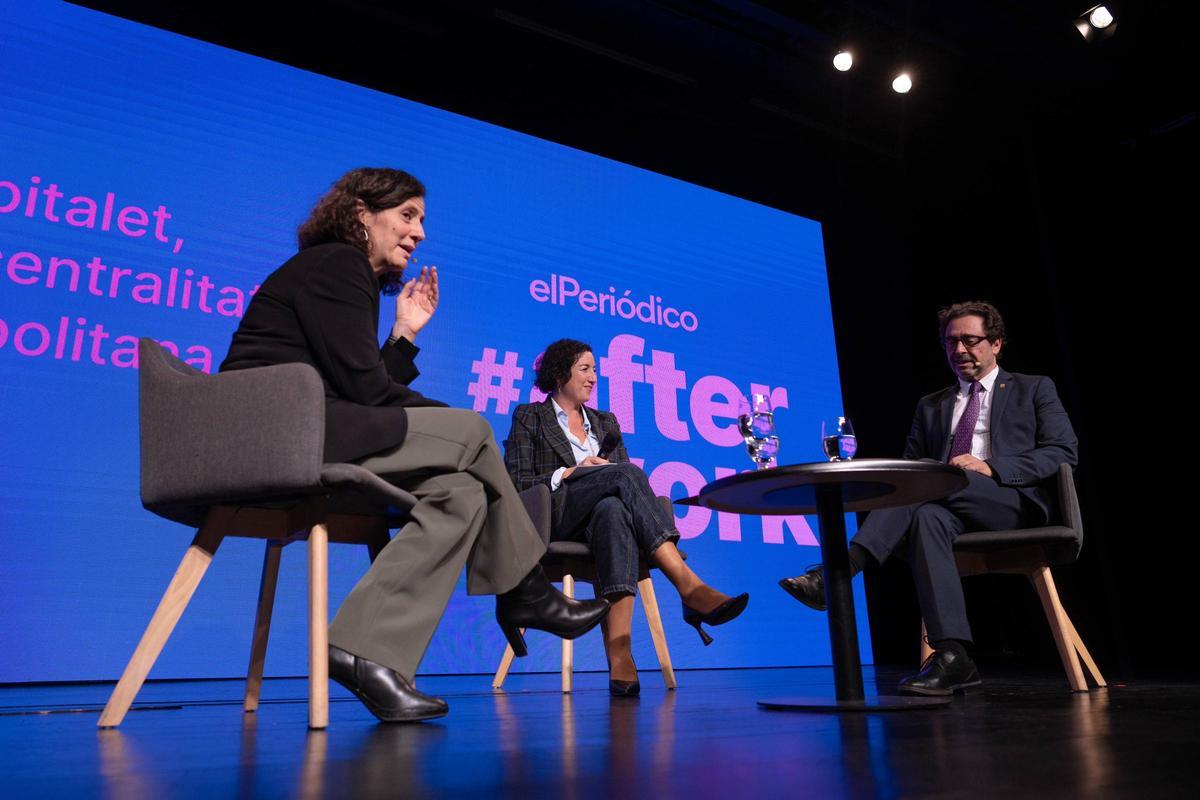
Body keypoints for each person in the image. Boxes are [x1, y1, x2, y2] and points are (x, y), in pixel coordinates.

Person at [220, 168, 609, 722]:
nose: (419, 232)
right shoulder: (339, 262)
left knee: (460, 495)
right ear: (361, 214)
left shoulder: (338, 272)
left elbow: (358, 383)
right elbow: (366, 391)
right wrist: (447, 419)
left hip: (309, 425)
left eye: (421, 219)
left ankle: (364, 652)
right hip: (281, 432)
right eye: (407, 215)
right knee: (471, 429)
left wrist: (403, 333)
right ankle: (524, 588)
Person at [779, 301, 1078, 696]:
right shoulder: (931, 405)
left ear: (996, 344)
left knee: (934, 484)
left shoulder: (1033, 388)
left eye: (970, 340)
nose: (959, 351)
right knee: (925, 512)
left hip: (1011, 502)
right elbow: (911, 469)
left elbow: (1062, 452)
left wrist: (993, 467)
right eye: (951, 342)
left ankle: (839, 569)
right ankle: (955, 656)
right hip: (945, 507)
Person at [505, 338, 748, 696]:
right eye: (585, 369)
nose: (593, 378)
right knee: (625, 473)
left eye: (595, 370)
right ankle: (687, 585)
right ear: (559, 374)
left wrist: (602, 473)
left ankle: (620, 653)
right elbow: (517, 482)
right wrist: (570, 473)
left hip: (599, 521)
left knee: (613, 509)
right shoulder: (530, 416)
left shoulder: (605, 422)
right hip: (554, 514)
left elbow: (619, 490)